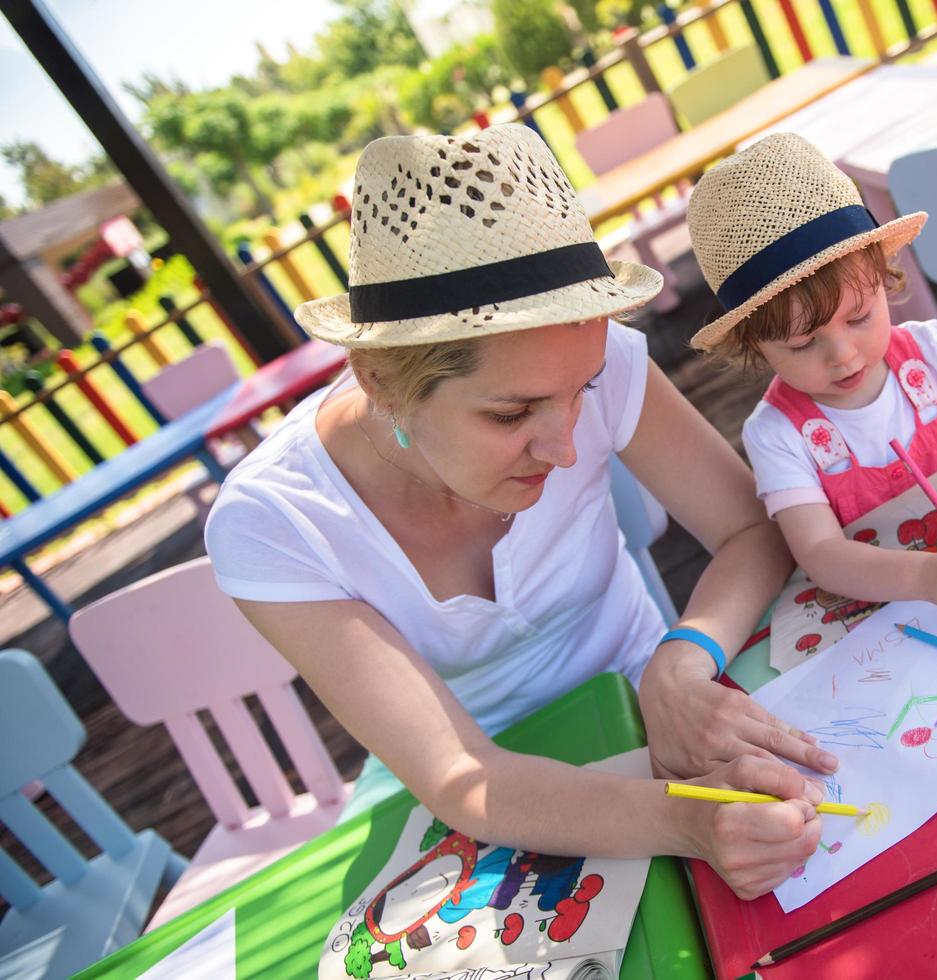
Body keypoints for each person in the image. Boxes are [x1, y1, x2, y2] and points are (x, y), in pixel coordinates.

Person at [205, 129, 832, 899]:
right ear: (380, 381)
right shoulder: (274, 522)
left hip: (655, 703)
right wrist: (687, 823)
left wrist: (681, 656)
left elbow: (747, 529)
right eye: (512, 415)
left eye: (585, 391)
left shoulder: (606, 365)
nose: (568, 449)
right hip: (475, 804)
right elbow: (457, 774)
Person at [686, 134, 937, 618]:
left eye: (858, 317)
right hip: (886, 620)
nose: (843, 355)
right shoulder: (778, 434)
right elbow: (822, 555)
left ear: (883, 279)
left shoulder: (931, 355)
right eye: (801, 343)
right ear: (755, 345)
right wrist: (928, 576)